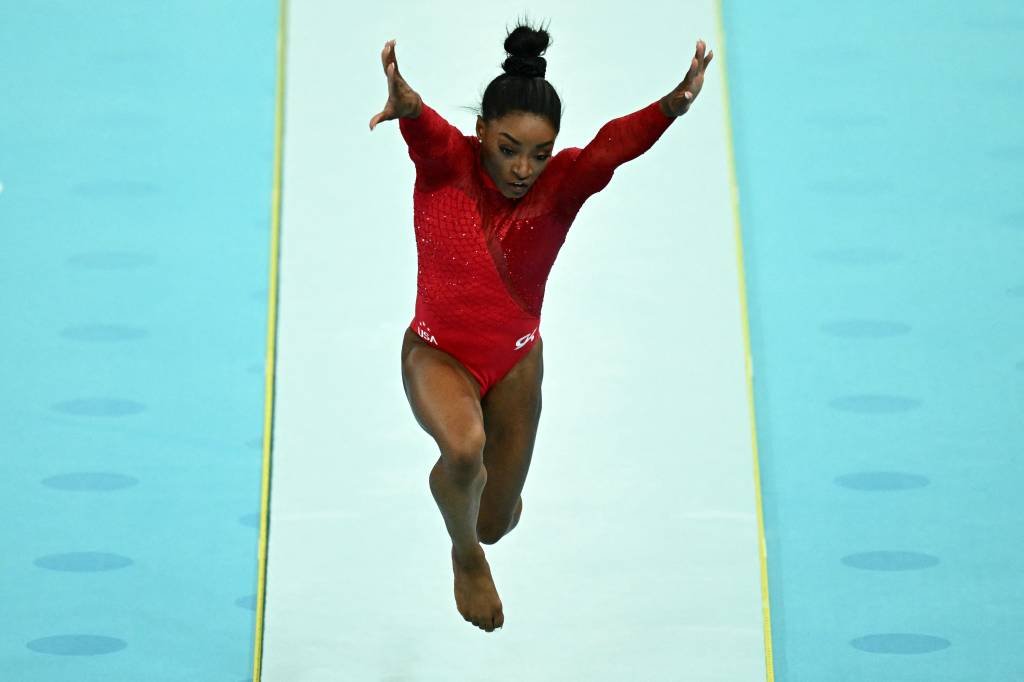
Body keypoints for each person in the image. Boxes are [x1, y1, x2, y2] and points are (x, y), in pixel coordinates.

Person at [368, 19, 712, 633]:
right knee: (465, 450)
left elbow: (612, 145)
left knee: (494, 521)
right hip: (437, 353)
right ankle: (464, 557)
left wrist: (672, 105)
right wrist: (409, 104)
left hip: (518, 360)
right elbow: (426, 131)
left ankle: (472, 521)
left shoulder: (560, 188)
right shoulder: (450, 164)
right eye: (507, 148)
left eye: (540, 152)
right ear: (480, 134)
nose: (524, 167)